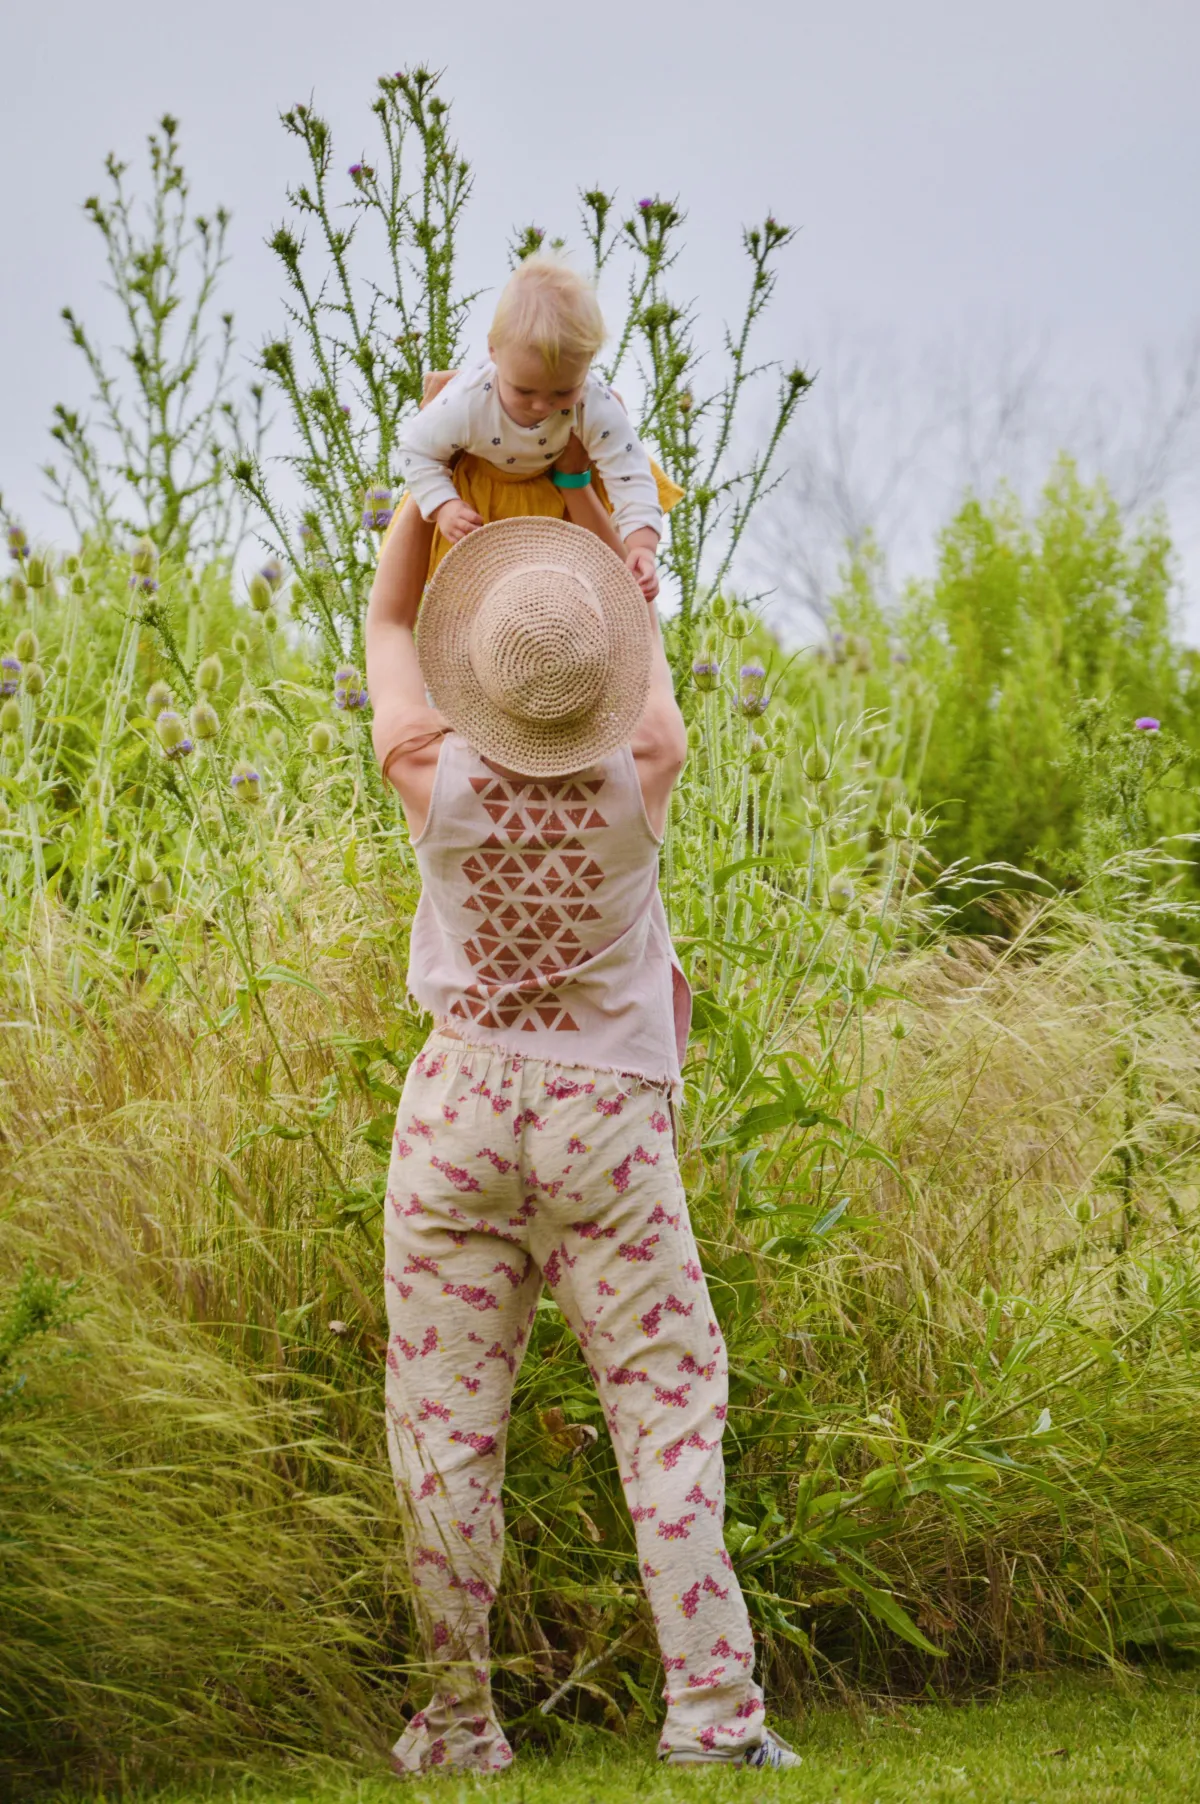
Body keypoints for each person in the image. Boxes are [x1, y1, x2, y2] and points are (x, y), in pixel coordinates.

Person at [365, 500, 800, 1777]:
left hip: (456, 1117)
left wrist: (421, 490)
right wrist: (624, 549)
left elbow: (390, 617)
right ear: (604, 665)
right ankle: (714, 1713)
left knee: (443, 1430)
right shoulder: (641, 767)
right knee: (667, 1410)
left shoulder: (426, 778)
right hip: (602, 1119)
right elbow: (644, 683)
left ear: (480, 676)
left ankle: (455, 1724)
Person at [384, 254, 683, 601]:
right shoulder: (468, 400)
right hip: (484, 495)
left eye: (562, 392)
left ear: (587, 366)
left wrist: (642, 546)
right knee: (477, 598)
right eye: (523, 391)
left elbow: (629, 475)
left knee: (568, 600)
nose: (541, 406)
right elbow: (415, 449)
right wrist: (445, 505)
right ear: (493, 351)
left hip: (558, 501)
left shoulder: (593, 401)